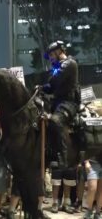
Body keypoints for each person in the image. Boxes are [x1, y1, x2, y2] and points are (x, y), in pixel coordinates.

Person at [38, 40, 80, 168]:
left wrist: (45, 86)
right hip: (57, 103)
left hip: (69, 103)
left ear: (58, 52)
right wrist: (39, 88)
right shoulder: (58, 67)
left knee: (56, 120)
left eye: (51, 55)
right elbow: (50, 87)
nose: (50, 59)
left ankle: (63, 158)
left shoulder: (69, 64)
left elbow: (53, 82)